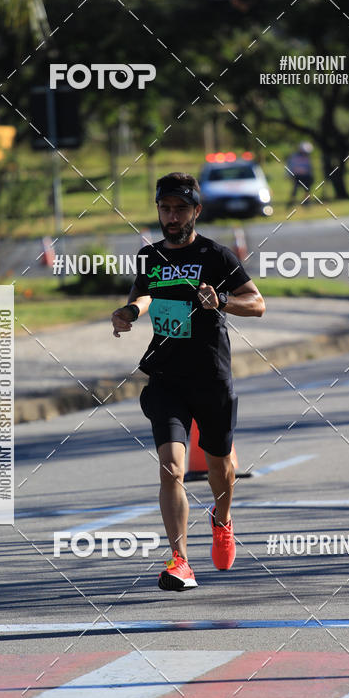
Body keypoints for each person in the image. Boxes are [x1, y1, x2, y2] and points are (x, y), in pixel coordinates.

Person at [111, 172, 265, 591]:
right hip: (166, 378)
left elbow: (258, 304)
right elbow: (144, 294)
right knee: (171, 468)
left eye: (181, 208)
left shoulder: (217, 256)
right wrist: (130, 312)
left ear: (196, 210)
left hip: (211, 377)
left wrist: (224, 301)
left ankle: (223, 519)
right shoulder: (149, 257)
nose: (172, 216)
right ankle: (180, 560)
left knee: (219, 468)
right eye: (165, 208)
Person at [286, 141, 314, 207]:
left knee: (307, 190)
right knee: (295, 190)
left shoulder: (307, 157)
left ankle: (306, 203)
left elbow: (309, 167)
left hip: (306, 176)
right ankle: (291, 203)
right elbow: (292, 166)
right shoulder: (294, 157)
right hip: (297, 176)